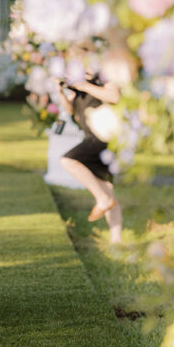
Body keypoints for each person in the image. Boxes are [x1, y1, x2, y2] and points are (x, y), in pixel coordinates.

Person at [59, 76, 123, 244]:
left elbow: (115, 97)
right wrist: (60, 91)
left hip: (103, 138)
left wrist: (85, 85)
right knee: (107, 187)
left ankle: (102, 199)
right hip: (90, 138)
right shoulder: (76, 88)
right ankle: (116, 239)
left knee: (68, 160)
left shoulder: (103, 78)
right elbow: (71, 111)